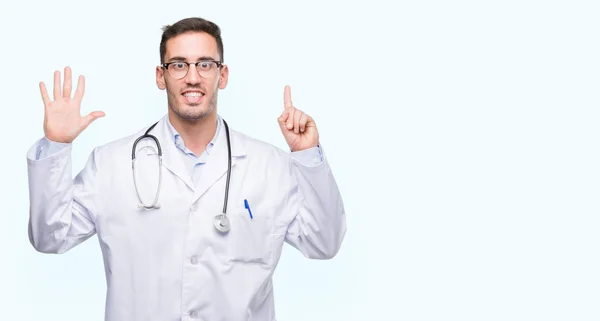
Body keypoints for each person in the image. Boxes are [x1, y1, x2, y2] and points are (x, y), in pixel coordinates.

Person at [25, 17, 346, 321]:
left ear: (223, 75)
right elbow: (50, 237)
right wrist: (56, 145)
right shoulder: (111, 163)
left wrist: (307, 156)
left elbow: (323, 242)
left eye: (205, 64)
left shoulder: (270, 166)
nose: (193, 77)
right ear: (160, 76)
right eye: (179, 64)